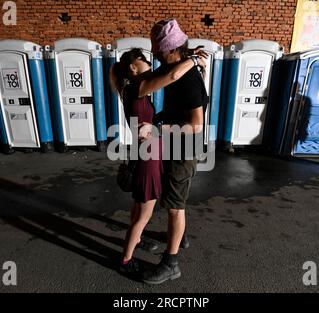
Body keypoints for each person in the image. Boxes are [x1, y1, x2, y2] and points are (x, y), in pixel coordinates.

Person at [109, 47, 206, 275]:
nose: (149, 61)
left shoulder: (132, 88)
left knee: (138, 209)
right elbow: (171, 75)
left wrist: (186, 56)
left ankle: (137, 240)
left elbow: (169, 71)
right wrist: (192, 60)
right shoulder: (138, 88)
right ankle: (125, 260)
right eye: (143, 59)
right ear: (133, 67)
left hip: (147, 152)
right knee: (143, 214)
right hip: (149, 156)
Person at [139, 18, 208, 284]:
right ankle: (180, 238)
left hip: (184, 149)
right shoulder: (178, 70)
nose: (155, 54)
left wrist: (157, 129)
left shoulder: (187, 78)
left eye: (158, 49)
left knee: (174, 207)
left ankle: (171, 264)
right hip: (175, 145)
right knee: (173, 201)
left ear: (171, 49)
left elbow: (195, 125)